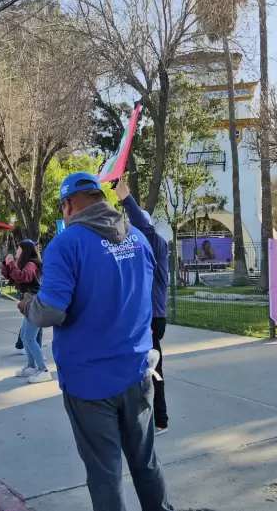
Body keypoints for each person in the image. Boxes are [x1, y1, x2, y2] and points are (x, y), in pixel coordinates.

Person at [20, 172, 174, 511]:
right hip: (138, 373)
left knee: (105, 472)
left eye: (62, 210)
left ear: (68, 205)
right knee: (145, 462)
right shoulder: (137, 238)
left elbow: (50, 313)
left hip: (89, 382)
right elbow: (148, 293)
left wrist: (29, 305)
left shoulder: (67, 243)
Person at [115, 179, 171, 435]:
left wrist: (126, 199)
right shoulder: (143, 251)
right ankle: (153, 418)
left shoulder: (155, 242)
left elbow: (145, 229)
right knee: (144, 367)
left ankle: (158, 419)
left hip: (152, 319)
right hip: (145, 318)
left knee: (150, 369)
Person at [2, 239, 50, 384]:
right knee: (24, 336)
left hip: (35, 303)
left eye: (18, 248)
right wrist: (7, 264)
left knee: (29, 337)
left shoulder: (32, 264)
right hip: (30, 304)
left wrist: (11, 264)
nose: (16, 251)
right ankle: (31, 366)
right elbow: (10, 276)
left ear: (25, 250)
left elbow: (23, 276)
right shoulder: (26, 264)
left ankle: (43, 370)